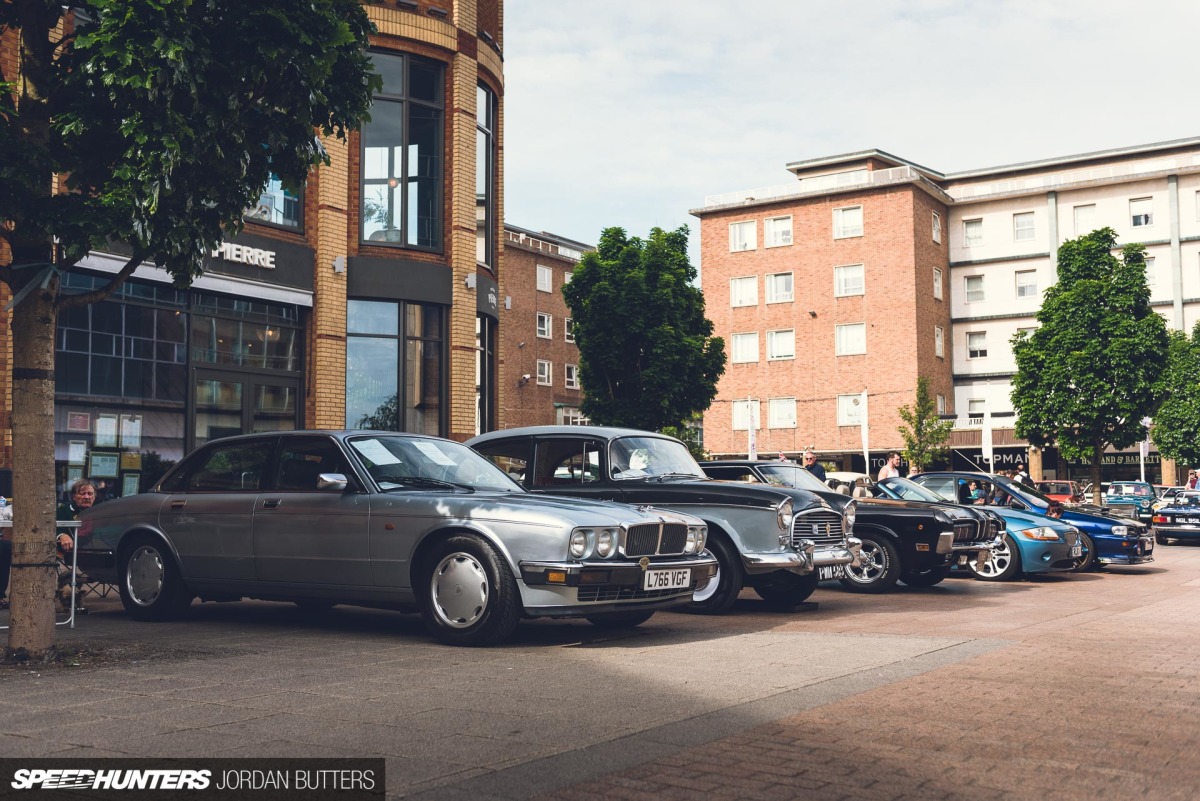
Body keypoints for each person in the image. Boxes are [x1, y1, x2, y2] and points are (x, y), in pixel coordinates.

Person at [55, 478, 96, 614]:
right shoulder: (64, 511)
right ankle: (69, 600)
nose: (86, 497)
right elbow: (52, 528)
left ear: (94, 497)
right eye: (82, 493)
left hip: (99, 553)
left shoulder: (100, 512)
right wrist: (61, 535)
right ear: (74, 497)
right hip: (70, 553)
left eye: (90, 494)